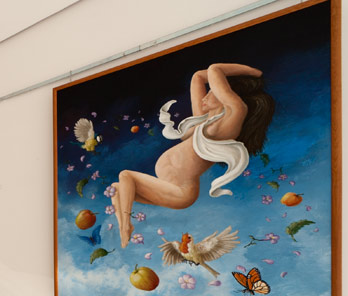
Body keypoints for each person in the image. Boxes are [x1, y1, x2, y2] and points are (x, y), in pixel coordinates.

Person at [111, 63, 275, 247]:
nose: (205, 97)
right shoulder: (204, 119)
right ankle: (125, 225)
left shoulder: (232, 118)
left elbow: (214, 70)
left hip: (181, 192)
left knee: (125, 176)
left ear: (225, 95)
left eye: (212, 92)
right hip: (169, 185)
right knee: (117, 189)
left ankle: (125, 227)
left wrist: (253, 73)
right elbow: (198, 77)